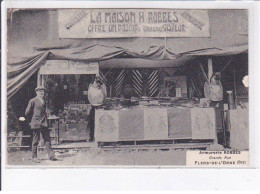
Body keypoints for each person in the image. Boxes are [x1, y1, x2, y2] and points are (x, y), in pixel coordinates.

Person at [25, 86, 57, 163]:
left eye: (42, 91)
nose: (41, 93)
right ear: (36, 92)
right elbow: (27, 112)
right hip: (36, 123)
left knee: (47, 139)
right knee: (35, 140)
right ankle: (34, 157)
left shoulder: (44, 101)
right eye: (39, 91)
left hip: (44, 123)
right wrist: (30, 121)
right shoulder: (33, 100)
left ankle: (51, 156)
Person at [87, 76, 107, 141]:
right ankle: (92, 137)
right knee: (92, 123)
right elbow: (90, 96)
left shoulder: (102, 88)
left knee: (101, 123)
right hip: (94, 107)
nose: (98, 84)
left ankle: (100, 137)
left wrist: (102, 86)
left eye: (99, 82)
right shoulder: (91, 88)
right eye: (97, 82)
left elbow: (105, 96)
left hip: (100, 107)